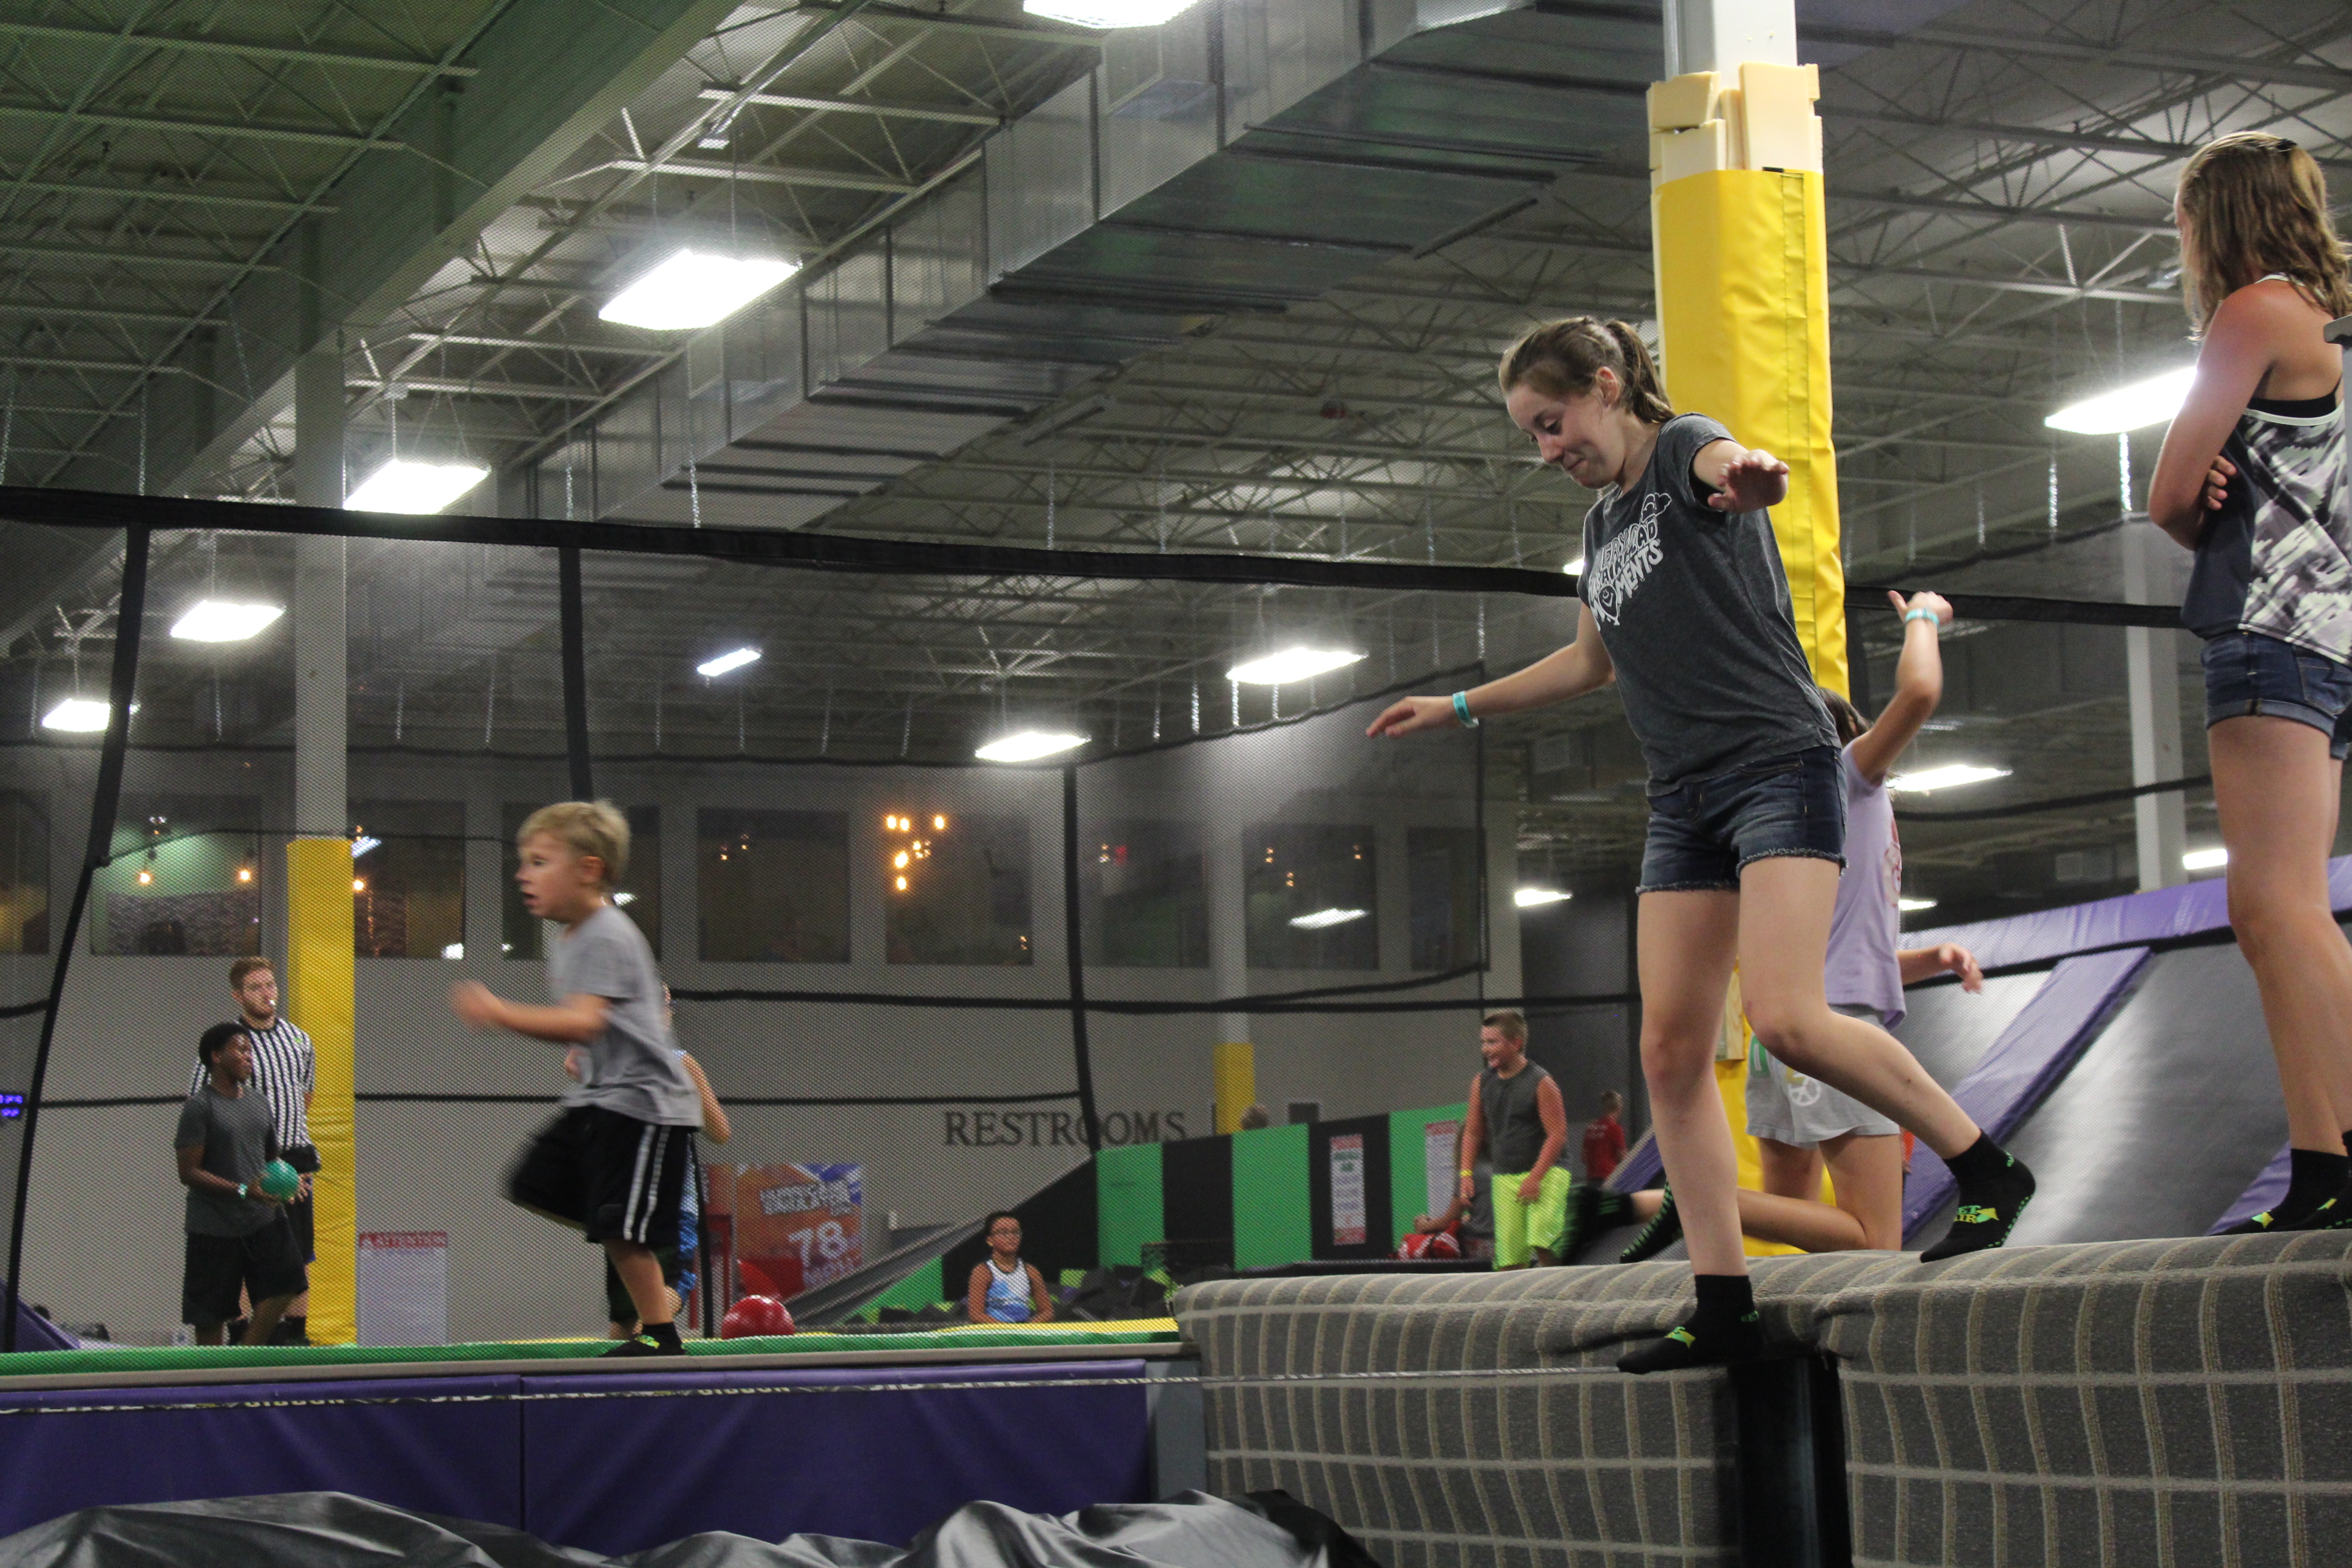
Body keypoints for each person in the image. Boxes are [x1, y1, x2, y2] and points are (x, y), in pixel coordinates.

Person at [1369, 318, 2033, 1372]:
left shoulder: (1685, 448)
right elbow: (1589, 661)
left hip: (1776, 764)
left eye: (1550, 423)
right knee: (1669, 1051)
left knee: (1788, 1016)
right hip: (1683, 797)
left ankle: (1984, 1165)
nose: (1544, 448)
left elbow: (1733, 469)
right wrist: (1453, 702)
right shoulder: (1600, 526)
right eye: (1529, 435)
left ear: (1602, 385)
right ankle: (1719, 1298)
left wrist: (1753, 477)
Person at [1621, 591, 1987, 1259]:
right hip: (1838, 1038)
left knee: (1805, 1246)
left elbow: (1837, 952)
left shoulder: (1783, 833)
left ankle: (1777, 1327)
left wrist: (1930, 958)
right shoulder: (1843, 778)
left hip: (1781, 1042)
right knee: (1875, 1242)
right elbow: (1921, 691)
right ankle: (1701, 1202)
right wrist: (1924, 619)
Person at [2148, 132, 2352, 1233]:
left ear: (2209, 221)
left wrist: (2208, 485)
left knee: (2275, 900)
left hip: (2268, 625)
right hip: (2333, 626)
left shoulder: (2247, 313)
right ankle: (2320, 1160)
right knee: (2268, 905)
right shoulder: (2329, 325)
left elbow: (2171, 495)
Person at [452, 801, 703, 1357]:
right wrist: (582, 1057)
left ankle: (662, 1334)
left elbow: (588, 1021)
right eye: (524, 863)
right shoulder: (569, 939)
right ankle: (632, 1226)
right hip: (601, 1098)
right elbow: (602, 1024)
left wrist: (500, 1013)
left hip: (646, 1106)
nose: (523, 874)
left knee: (618, 1221)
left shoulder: (607, 933)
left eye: (539, 862)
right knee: (532, 1182)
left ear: (588, 870)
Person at [579, 1005, 732, 1338]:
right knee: (675, 1286)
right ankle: (651, 1347)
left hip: (621, 1206)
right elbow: (721, 1132)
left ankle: (612, 1385)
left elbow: (574, 1064)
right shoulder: (678, 1063)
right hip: (668, 1205)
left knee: (626, 1312)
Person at [186, 957, 316, 1343]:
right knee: (244, 1249)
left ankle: (295, 1334)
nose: (267, 994)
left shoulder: (299, 1039)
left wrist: (289, 1162)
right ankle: (244, 1332)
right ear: (238, 995)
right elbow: (203, 1101)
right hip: (246, 1161)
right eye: (257, 988)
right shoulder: (227, 1046)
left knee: (298, 1251)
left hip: (292, 1157)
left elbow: (304, 1096)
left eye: (271, 986)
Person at [967, 1211, 1057, 1324]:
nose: (1011, 1237)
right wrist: (1006, 1331)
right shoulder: (983, 1272)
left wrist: (1026, 1330)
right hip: (994, 1337)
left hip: (1023, 1336)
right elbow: (976, 1314)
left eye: (1016, 1232)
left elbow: (1047, 1312)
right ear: (990, 1240)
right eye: (1004, 1233)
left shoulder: (1031, 1272)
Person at [1582, 1091, 1627, 1182]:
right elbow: (1622, 1157)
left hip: (1591, 1178)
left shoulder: (1591, 1127)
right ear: (1619, 1107)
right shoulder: (1615, 1128)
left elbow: (1584, 1156)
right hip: (1609, 1177)